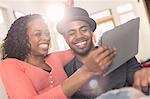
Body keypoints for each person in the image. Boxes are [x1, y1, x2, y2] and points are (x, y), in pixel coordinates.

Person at [0, 14, 116, 99]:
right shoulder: (9, 65)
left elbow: (81, 47)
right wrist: (86, 71)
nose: (45, 37)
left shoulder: (55, 58)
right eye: (38, 34)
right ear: (22, 39)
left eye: (47, 33)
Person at [56, 7, 150, 98]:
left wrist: (143, 76)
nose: (79, 36)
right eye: (71, 33)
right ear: (65, 39)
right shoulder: (66, 72)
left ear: (91, 32)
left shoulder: (119, 52)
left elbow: (137, 74)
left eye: (84, 29)